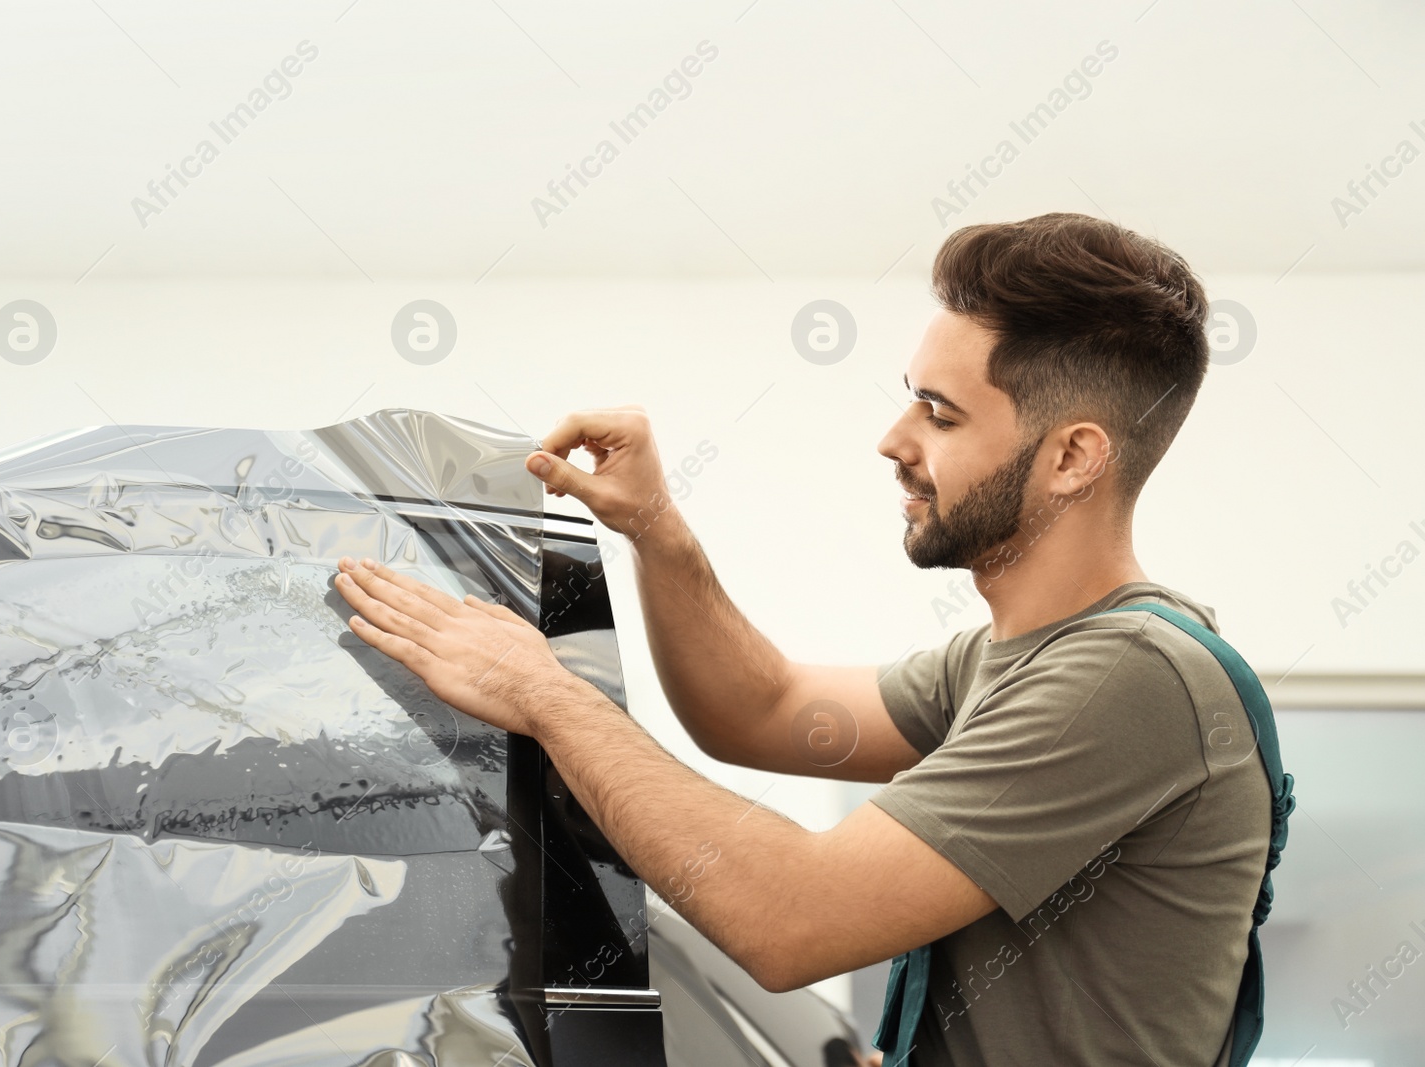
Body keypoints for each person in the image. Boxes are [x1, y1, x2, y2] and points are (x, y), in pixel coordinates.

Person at [331, 212, 1271, 1066]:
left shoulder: (1129, 677)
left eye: (940, 414)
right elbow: (763, 708)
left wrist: (542, 691)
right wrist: (657, 528)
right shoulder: (1001, 663)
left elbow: (789, 919)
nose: (893, 438)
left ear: (1072, 456)